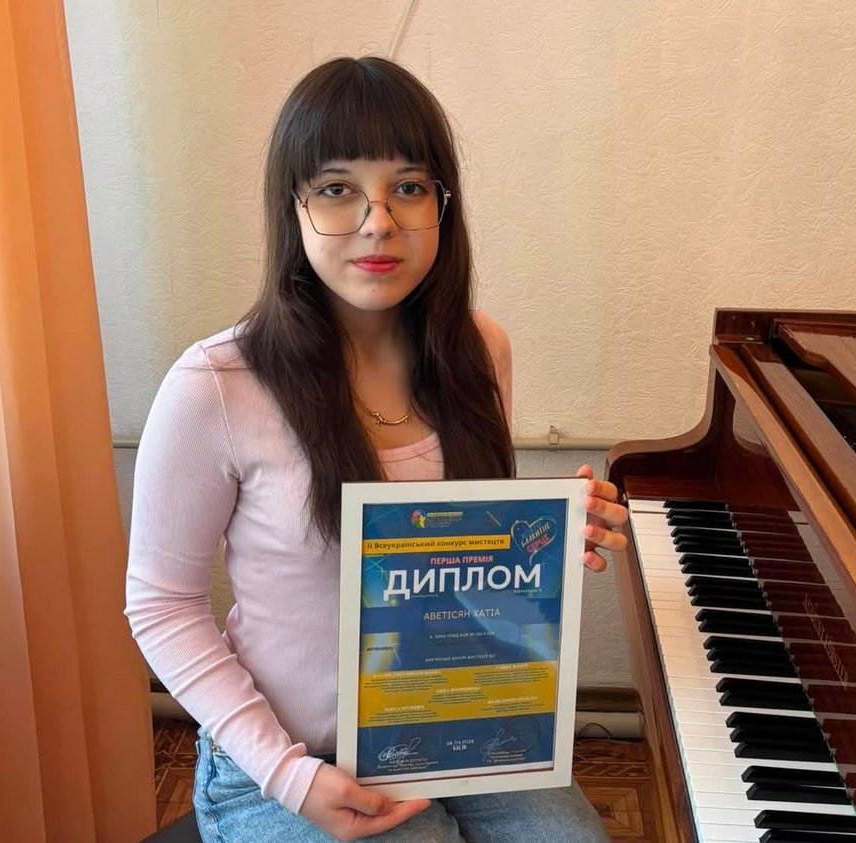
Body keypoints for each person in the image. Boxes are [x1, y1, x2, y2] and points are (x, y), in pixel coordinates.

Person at [125, 55, 628, 842]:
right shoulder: (215, 385)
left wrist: (548, 535)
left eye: (409, 187)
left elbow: (453, 566)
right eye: (337, 189)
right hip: (283, 759)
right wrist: (290, 775)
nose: (378, 221)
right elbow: (161, 604)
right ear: (292, 207)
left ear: (442, 205)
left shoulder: (480, 349)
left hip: (453, 727)